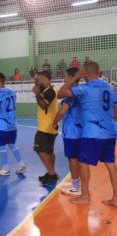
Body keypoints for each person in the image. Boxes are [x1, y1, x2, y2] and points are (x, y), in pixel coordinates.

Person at [58, 62, 117, 206]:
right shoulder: (109, 87)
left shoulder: (84, 88)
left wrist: (76, 76)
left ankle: (85, 196)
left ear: (85, 72)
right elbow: (115, 109)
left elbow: (60, 93)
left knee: (83, 162)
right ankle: (116, 198)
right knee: (110, 164)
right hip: (110, 132)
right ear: (98, 72)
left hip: (92, 133)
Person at [0, 73, 26, 176]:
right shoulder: (12, 92)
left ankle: (5, 168)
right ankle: (21, 164)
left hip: (2, 125)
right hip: (12, 124)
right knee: (12, 144)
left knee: (1, 146)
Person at [52, 67, 81, 195]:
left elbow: (62, 110)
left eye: (65, 76)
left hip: (72, 132)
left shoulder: (71, 93)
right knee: (80, 160)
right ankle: (79, 184)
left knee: (72, 159)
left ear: (70, 78)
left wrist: (54, 122)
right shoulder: (81, 91)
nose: (64, 78)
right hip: (82, 131)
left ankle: (75, 187)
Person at [32, 71, 59, 185]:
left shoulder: (51, 91)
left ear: (44, 79)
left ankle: (52, 174)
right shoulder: (49, 88)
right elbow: (36, 87)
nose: (38, 81)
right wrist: (37, 84)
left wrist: (37, 94)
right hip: (49, 126)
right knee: (49, 152)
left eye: (39, 79)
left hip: (46, 127)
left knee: (41, 150)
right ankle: (51, 172)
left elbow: (43, 105)